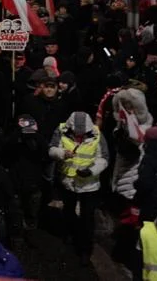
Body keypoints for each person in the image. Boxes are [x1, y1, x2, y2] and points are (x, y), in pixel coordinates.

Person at [49, 110, 109, 265]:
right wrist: (62, 153)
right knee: (69, 210)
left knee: (87, 218)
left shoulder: (97, 134)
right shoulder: (61, 130)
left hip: (89, 184)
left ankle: (85, 250)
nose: (79, 137)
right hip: (68, 182)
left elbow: (104, 158)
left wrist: (91, 171)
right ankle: (70, 234)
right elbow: (52, 149)